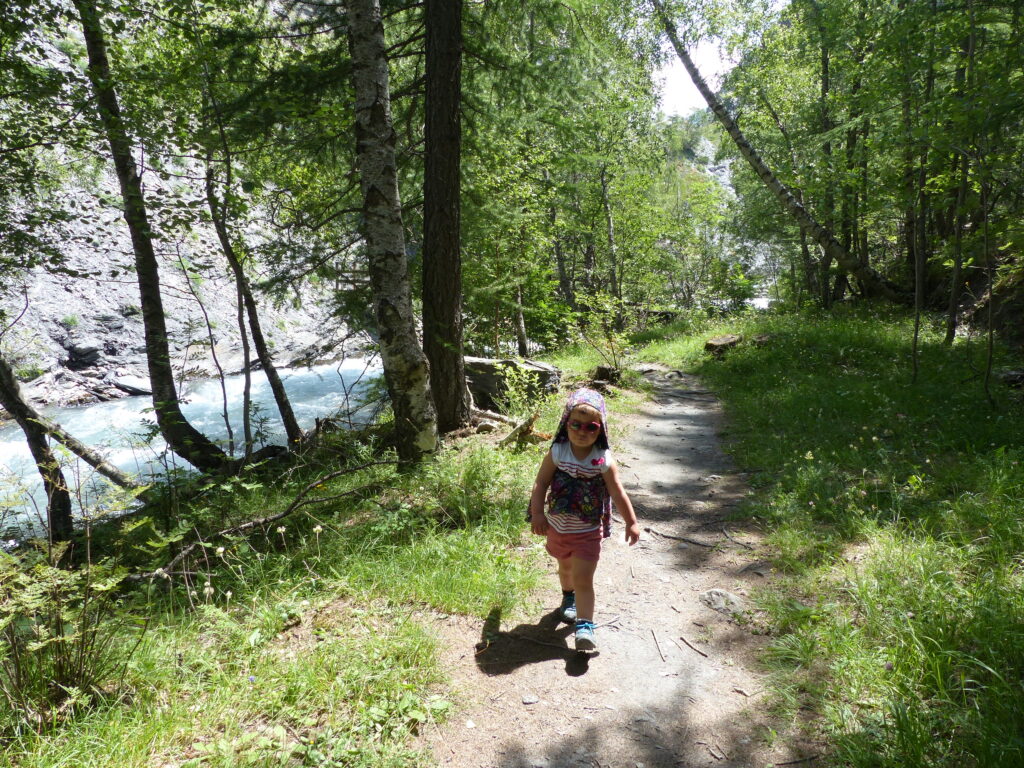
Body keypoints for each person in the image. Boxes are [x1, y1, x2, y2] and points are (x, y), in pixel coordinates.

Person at [528, 387, 641, 652]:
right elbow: (541, 482)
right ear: (566, 423)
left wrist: (631, 521)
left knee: (583, 579)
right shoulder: (558, 452)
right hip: (557, 528)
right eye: (576, 424)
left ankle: (585, 626)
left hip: (587, 531)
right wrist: (537, 514)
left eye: (591, 427)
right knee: (565, 569)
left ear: (601, 429)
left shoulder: (602, 460)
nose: (582, 431)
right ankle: (568, 597)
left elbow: (617, 492)